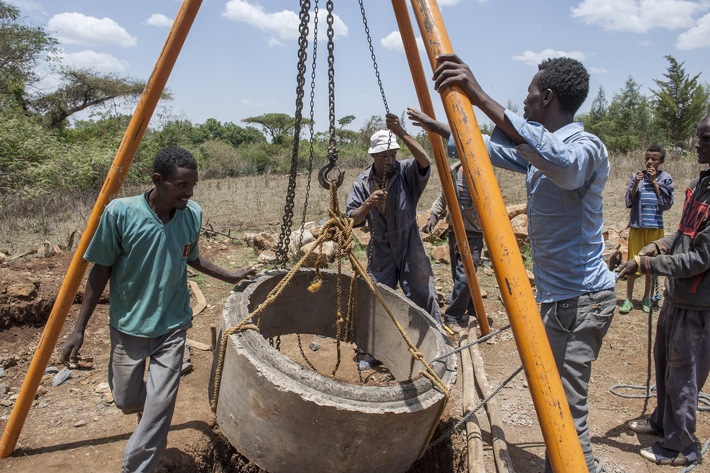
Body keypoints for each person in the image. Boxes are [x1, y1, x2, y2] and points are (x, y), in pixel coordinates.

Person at [433, 55, 616, 473]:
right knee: (559, 408)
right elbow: (486, 148)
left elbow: (565, 168)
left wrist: (480, 95)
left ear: (547, 97)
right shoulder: (538, 153)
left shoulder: (585, 148)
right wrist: (444, 127)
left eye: (530, 95)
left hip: (580, 300)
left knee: (566, 419)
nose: (525, 101)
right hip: (564, 300)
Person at [60, 146, 256, 473]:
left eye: (193, 185)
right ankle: (151, 415)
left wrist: (231, 275)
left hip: (173, 326)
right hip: (128, 328)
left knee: (160, 406)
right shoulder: (120, 214)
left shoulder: (192, 214)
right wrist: (79, 329)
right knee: (126, 399)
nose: (189, 192)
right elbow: (100, 270)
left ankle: (138, 465)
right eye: (181, 185)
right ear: (157, 180)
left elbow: (192, 257)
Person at [618, 115, 710, 467]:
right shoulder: (702, 184)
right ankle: (662, 422)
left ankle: (680, 446)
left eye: (706, 139)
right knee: (666, 364)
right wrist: (658, 246)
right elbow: (684, 233)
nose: (698, 145)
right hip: (677, 296)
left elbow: (700, 258)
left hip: (699, 303)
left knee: (684, 375)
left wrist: (648, 265)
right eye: (699, 138)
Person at [345, 113, 442, 330]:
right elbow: (353, 219)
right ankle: (373, 349)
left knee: (423, 293)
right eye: (384, 156)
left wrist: (400, 132)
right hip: (381, 248)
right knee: (378, 297)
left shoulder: (406, 170)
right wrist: (368, 203)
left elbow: (425, 161)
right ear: (373, 156)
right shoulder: (362, 182)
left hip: (410, 243)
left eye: (393, 155)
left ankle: (435, 342)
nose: (389, 160)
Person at [411, 108, 483, 335]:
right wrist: (433, 215)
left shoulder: (481, 174)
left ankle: (452, 314)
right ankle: (468, 306)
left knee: (465, 275)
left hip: (473, 234)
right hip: (454, 232)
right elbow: (444, 197)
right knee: (458, 275)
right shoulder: (453, 171)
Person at [619, 144, 674, 314]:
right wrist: (636, 182)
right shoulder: (637, 176)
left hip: (655, 228)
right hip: (638, 226)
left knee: (650, 265)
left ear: (661, 161)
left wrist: (654, 183)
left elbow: (666, 204)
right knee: (633, 262)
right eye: (648, 158)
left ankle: (646, 298)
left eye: (654, 159)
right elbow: (629, 201)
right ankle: (628, 299)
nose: (650, 161)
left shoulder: (665, 178)